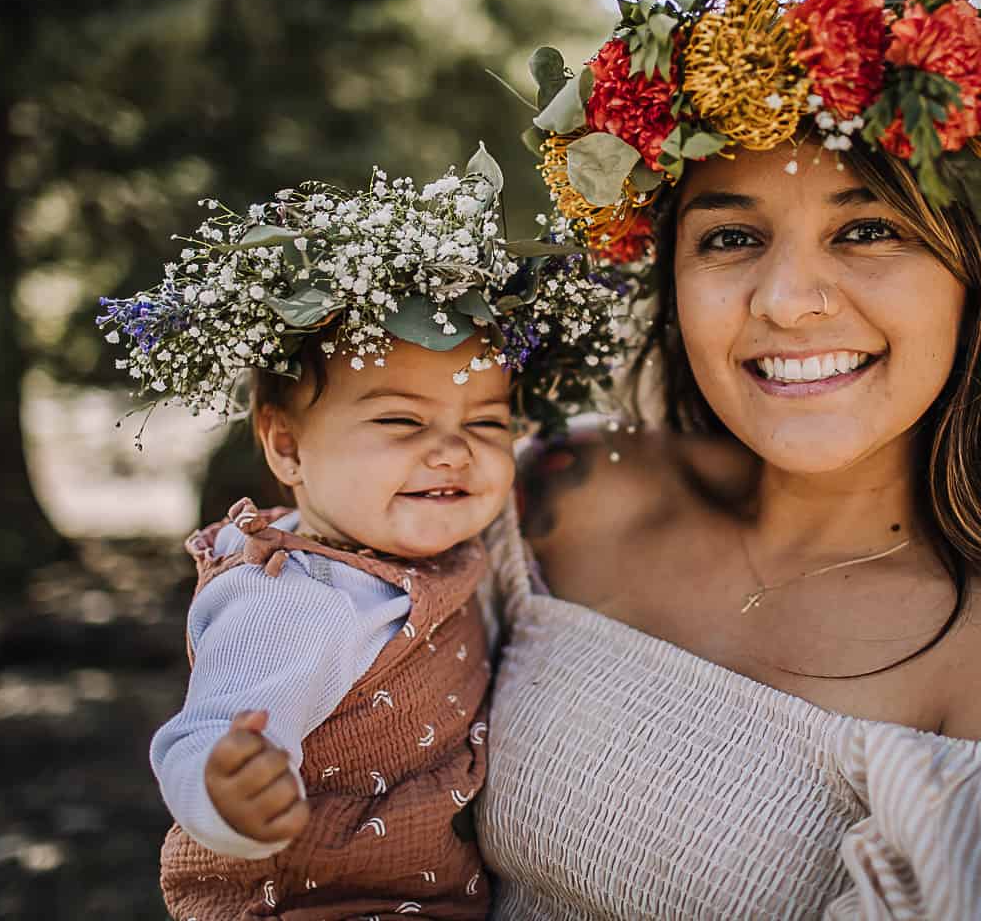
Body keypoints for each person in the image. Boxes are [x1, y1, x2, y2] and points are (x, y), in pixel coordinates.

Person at [472, 0, 981, 918]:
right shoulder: (578, 487)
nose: (785, 300)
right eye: (730, 240)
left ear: (973, 278)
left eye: (866, 229)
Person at [96, 148, 626, 919]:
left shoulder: (436, 551)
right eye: (400, 421)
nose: (452, 450)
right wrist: (228, 790)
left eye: (485, 423)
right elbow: (203, 734)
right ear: (286, 447)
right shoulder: (295, 600)